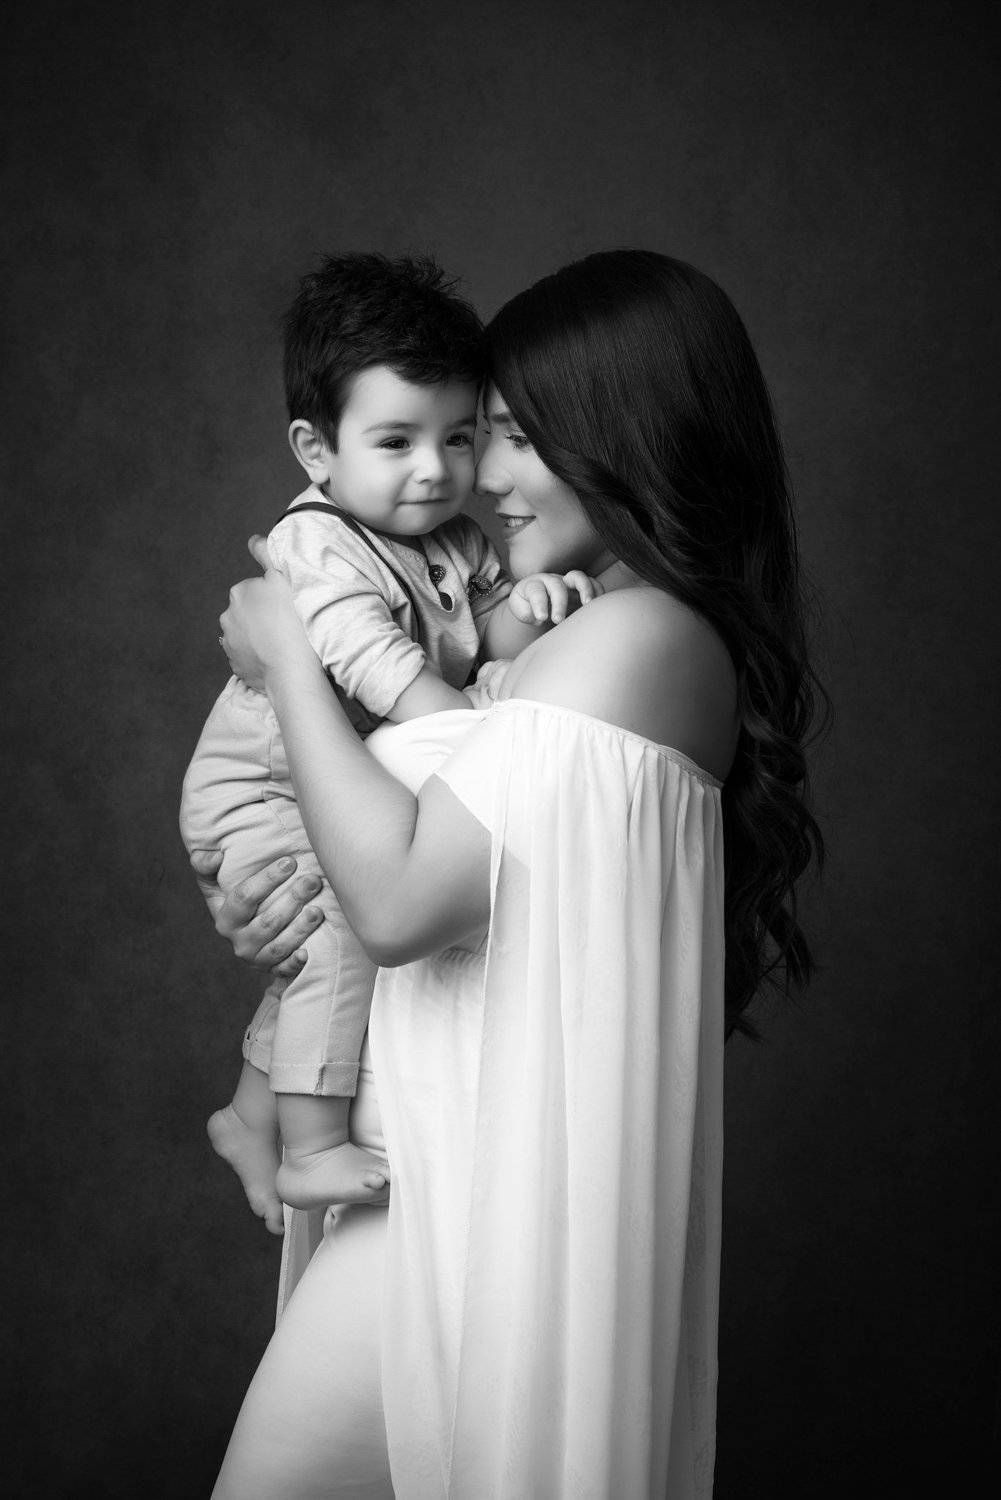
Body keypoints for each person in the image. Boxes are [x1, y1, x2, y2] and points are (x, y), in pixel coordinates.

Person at [198, 249, 824, 1498]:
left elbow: (397, 904)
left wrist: (287, 657)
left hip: (458, 1215)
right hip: (425, 1193)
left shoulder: (634, 637)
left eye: (516, 439)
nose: (478, 477)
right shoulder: (580, 624)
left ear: (622, 435)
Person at [181, 253, 593, 1226]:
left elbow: (488, 638)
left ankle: (249, 1114)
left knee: (321, 949)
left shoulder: (456, 539)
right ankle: (311, 1150)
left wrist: (530, 606)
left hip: (323, 779)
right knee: (335, 937)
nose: (436, 469)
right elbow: (379, 667)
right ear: (315, 450)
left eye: (458, 438)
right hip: (257, 788)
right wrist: (471, 734)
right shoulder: (316, 542)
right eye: (397, 441)